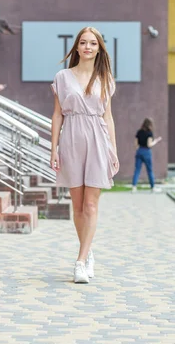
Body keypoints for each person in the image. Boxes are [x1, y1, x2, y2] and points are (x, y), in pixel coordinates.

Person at [50, 26, 119, 284]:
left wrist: (114, 150)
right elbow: (57, 114)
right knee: (77, 205)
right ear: (76, 47)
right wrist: (54, 148)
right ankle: (88, 252)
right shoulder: (63, 77)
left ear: (99, 48)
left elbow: (108, 117)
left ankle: (80, 261)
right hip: (71, 138)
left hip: (98, 140)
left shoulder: (106, 79)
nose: (87, 47)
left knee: (91, 204)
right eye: (83, 42)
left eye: (92, 43)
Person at [132, 118, 162, 193]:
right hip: (146, 152)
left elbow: (135, 144)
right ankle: (152, 187)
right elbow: (149, 144)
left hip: (139, 151)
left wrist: (139, 148)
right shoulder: (149, 133)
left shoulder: (139, 132)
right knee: (149, 170)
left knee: (137, 170)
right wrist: (155, 141)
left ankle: (134, 187)